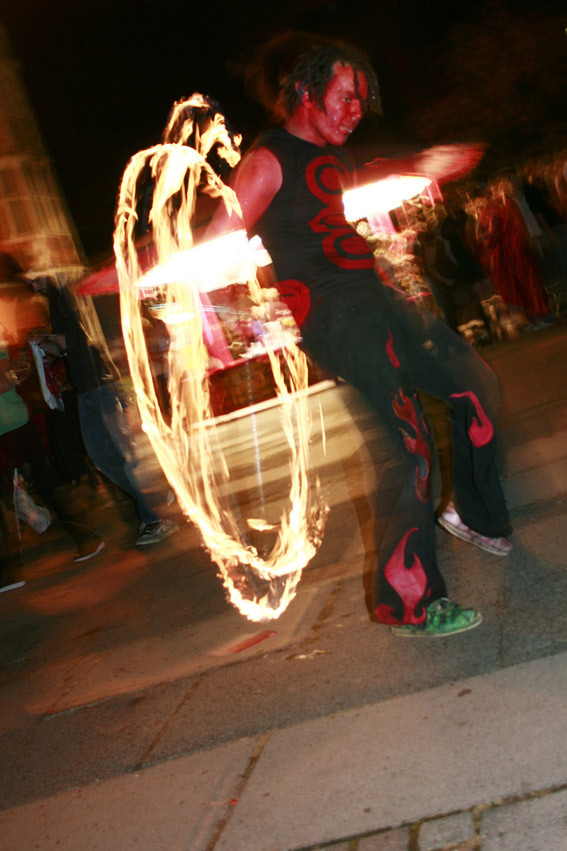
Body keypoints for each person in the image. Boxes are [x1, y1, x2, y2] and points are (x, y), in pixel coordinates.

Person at [211, 35, 513, 637]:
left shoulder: (333, 155)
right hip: (336, 320)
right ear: (305, 93)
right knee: (411, 449)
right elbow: (220, 228)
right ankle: (409, 604)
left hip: (380, 303)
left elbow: (379, 161)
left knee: (478, 392)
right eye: (346, 98)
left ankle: (472, 515)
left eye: (361, 101)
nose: (355, 111)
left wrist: (428, 161)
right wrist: (133, 263)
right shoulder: (269, 158)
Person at [29, 276, 177, 547]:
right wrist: (45, 347)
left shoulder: (70, 292)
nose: (30, 280)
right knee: (103, 457)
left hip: (103, 384)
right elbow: (69, 346)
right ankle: (154, 498)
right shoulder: (56, 298)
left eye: (34, 274)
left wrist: (48, 339)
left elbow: (78, 338)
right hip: (87, 388)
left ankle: (157, 517)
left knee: (127, 455)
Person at [0, 346, 105, 584]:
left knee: (48, 484)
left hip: (14, 427)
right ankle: (9, 572)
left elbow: (4, 383)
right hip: (9, 429)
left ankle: (86, 536)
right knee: (7, 500)